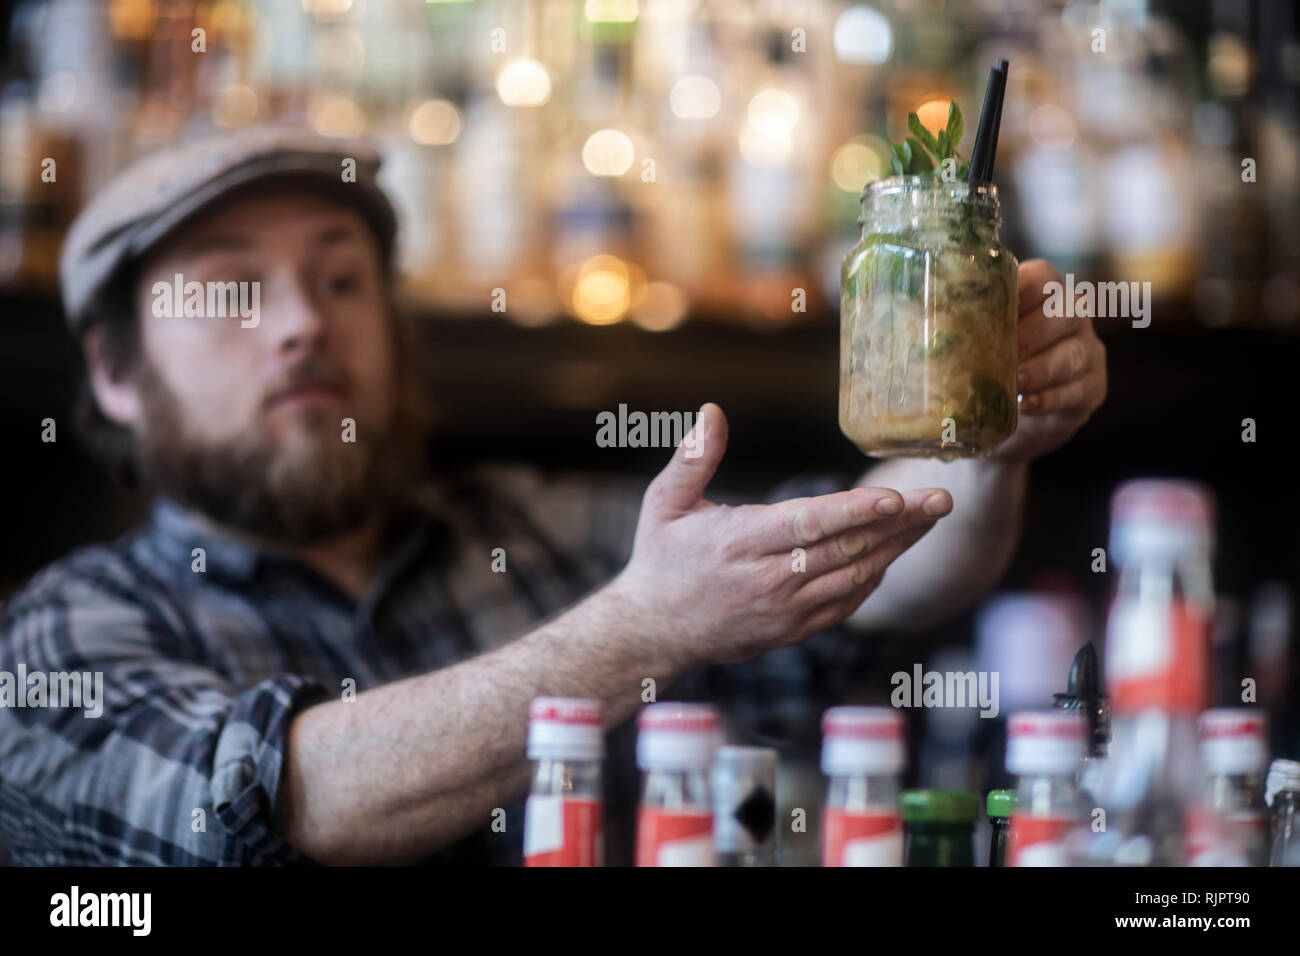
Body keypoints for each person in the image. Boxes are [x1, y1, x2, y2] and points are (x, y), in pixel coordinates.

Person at [0, 126, 1106, 865]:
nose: (299, 322)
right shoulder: (64, 635)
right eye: (236, 287)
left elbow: (873, 578)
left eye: (340, 279)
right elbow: (265, 798)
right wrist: (643, 627)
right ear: (109, 367)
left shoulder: (528, 528)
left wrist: (990, 433)